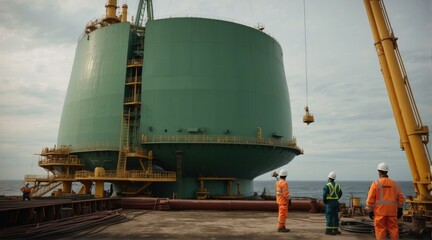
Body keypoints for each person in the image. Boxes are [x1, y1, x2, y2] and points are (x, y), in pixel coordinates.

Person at [366, 162, 404, 240]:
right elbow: (400, 199)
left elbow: (370, 200)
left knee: (380, 230)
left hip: (379, 213)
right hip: (392, 212)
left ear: (379, 172)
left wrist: (370, 210)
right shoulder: (395, 184)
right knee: (393, 229)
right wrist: (400, 209)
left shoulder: (376, 183)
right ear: (387, 171)